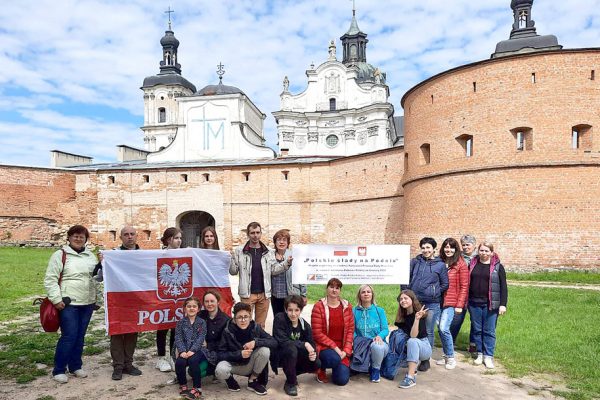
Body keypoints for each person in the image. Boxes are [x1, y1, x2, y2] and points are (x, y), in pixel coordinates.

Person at [44, 225, 99, 384]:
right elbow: (51, 279)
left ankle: (75, 366)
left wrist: (97, 299)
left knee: (80, 336)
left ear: (86, 239)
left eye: (82, 236)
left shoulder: (90, 256)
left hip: (87, 302)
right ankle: (59, 369)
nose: (78, 238)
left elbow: (95, 279)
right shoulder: (60, 255)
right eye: (75, 235)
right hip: (69, 303)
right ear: (68, 237)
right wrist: (56, 299)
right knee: (69, 336)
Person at [229, 222, 290, 328]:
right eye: (252, 233)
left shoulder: (268, 251)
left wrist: (286, 264)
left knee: (260, 325)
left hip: (264, 294)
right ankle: (246, 343)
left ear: (261, 233)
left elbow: (274, 269)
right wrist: (232, 259)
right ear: (248, 234)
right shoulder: (239, 251)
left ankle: (258, 344)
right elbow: (233, 272)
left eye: (257, 232)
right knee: (245, 323)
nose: (255, 235)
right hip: (247, 294)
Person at [215, 302, 278, 396]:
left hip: (251, 364)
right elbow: (220, 354)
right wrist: (239, 354)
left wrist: (256, 342)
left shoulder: (256, 327)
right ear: (234, 319)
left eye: (246, 316)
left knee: (265, 350)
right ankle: (230, 380)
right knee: (220, 369)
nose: (243, 320)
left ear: (250, 317)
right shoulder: (227, 331)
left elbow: (274, 342)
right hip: (234, 365)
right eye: (240, 317)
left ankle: (252, 380)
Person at [405, 237, 448, 372]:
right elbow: (406, 277)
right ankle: (411, 356)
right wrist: (405, 295)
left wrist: (433, 292)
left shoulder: (440, 265)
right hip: (415, 301)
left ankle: (425, 359)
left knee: (428, 330)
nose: (425, 250)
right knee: (412, 329)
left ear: (434, 249)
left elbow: (445, 283)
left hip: (431, 303)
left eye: (428, 247)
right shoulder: (415, 262)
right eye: (423, 247)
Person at [107, 226, 143, 380]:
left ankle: (128, 363)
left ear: (136, 236)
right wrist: (102, 262)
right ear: (120, 237)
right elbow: (99, 275)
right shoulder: (113, 255)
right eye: (126, 234)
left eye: (132, 234)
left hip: (135, 300)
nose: (129, 237)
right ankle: (118, 366)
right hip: (117, 300)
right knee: (117, 332)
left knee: (132, 332)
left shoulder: (143, 256)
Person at [468, 241, 508, 369]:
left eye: (486, 251)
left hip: (491, 304)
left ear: (491, 252)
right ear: (478, 251)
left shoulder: (497, 267)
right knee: (477, 330)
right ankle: (480, 354)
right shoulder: (472, 264)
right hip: (474, 303)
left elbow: (503, 287)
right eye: (481, 250)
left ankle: (488, 356)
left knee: (489, 331)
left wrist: (503, 304)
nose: (484, 253)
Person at [272, 294, 318, 396]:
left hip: (294, 356)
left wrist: (313, 354)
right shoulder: (280, 319)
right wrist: (304, 344)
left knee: (316, 363)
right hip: (281, 354)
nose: (293, 314)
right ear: (285, 309)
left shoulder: (304, 325)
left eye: (296, 310)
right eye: (290, 310)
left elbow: (312, 343)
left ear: (301, 310)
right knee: (291, 349)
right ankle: (290, 383)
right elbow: (282, 341)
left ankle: (291, 372)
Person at [311, 278, 354, 386]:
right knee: (334, 358)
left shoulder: (347, 306)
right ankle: (321, 368)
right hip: (325, 346)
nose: (334, 290)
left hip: (342, 348)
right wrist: (335, 348)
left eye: (337, 288)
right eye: (331, 287)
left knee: (342, 380)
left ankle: (338, 368)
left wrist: (346, 351)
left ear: (340, 290)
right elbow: (317, 333)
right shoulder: (318, 306)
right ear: (327, 289)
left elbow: (350, 331)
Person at [435, 238, 469, 370]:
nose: (448, 250)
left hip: (451, 301)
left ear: (456, 249)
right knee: (441, 329)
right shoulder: (439, 262)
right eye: (446, 247)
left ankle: (450, 357)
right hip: (437, 300)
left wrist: (460, 305)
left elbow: (464, 286)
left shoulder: (460, 264)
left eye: (451, 247)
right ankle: (446, 355)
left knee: (444, 328)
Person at [156, 227, 183, 373]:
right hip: (163, 296)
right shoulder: (160, 254)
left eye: (180, 238)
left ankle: (173, 356)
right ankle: (160, 358)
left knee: (175, 327)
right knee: (162, 328)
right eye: (176, 238)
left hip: (178, 297)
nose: (179, 241)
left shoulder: (185, 254)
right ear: (168, 240)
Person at [352, 285, 389, 382]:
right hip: (361, 345)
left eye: (368, 292)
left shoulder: (379, 310)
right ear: (359, 296)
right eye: (363, 292)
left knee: (377, 346)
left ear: (372, 295)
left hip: (377, 344)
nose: (366, 294)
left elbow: (385, 329)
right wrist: (356, 340)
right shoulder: (354, 311)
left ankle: (375, 369)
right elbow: (352, 330)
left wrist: (379, 336)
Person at [395, 290, 431, 389]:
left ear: (412, 299)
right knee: (399, 337)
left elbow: (414, 336)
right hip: (411, 346)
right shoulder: (402, 317)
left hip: (424, 347)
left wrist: (417, 319)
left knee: (412, 341)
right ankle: (412, 366)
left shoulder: (420, 314)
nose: (403, 301)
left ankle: (410, 378)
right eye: (401, 299)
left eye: (405, 298)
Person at [174, 297, 208, 400]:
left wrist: (192, 350)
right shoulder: (180, 322)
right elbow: (178, 338)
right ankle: (183, 384)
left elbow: (201, 338)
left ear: (198, 309)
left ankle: (197, 388)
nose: (191, 308)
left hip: (198, 350)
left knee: (193, 361)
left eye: (194, 306)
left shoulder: (202, 322)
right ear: (184, 308)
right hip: (184, 349)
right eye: (189, 306)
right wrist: (182, 351)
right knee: (180, 362)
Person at [270, 229, 307, 316]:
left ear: (288, 242)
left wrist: (303, 294)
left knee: (291, 319)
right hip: (275, 295)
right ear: (275, 242)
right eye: (279, 240)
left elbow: (301, 274)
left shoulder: (294, 255)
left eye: (284, 240)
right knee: (278, 319)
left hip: (291, 294)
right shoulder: (270, 256)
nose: (281, 242)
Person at [449, 234, 477, 346]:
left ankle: (473, 345)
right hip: (460, 292)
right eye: (463, 245)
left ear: (474, 245)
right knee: (456, 319)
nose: (465, 247)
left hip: (475, 293)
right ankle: (450, 343)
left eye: (468, 244)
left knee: (475, 321)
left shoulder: (479, 257)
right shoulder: (457, 257)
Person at [198, 290, 230, 378]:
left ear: (218, 302)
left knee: (197, 372)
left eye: (212, 301)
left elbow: (225, 343)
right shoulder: (200, 315)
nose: (209, 304)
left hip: (216, 352)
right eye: (206, 301)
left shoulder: (226, 320)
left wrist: (208, 344)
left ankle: (215, 370)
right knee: (193, 370)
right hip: (201, 350)